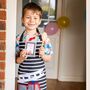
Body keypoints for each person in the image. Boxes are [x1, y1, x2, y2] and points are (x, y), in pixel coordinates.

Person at [16, 2, 53, 90]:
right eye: (28, 17)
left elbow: (49, 58)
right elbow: (17, 60)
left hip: (39, 78)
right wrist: (21, 57)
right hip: (23, 77)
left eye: (35, 18)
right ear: (22, 19)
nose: (32, 21)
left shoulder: (44, 39)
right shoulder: (18, 39)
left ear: (40, 21)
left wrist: (43, 55)